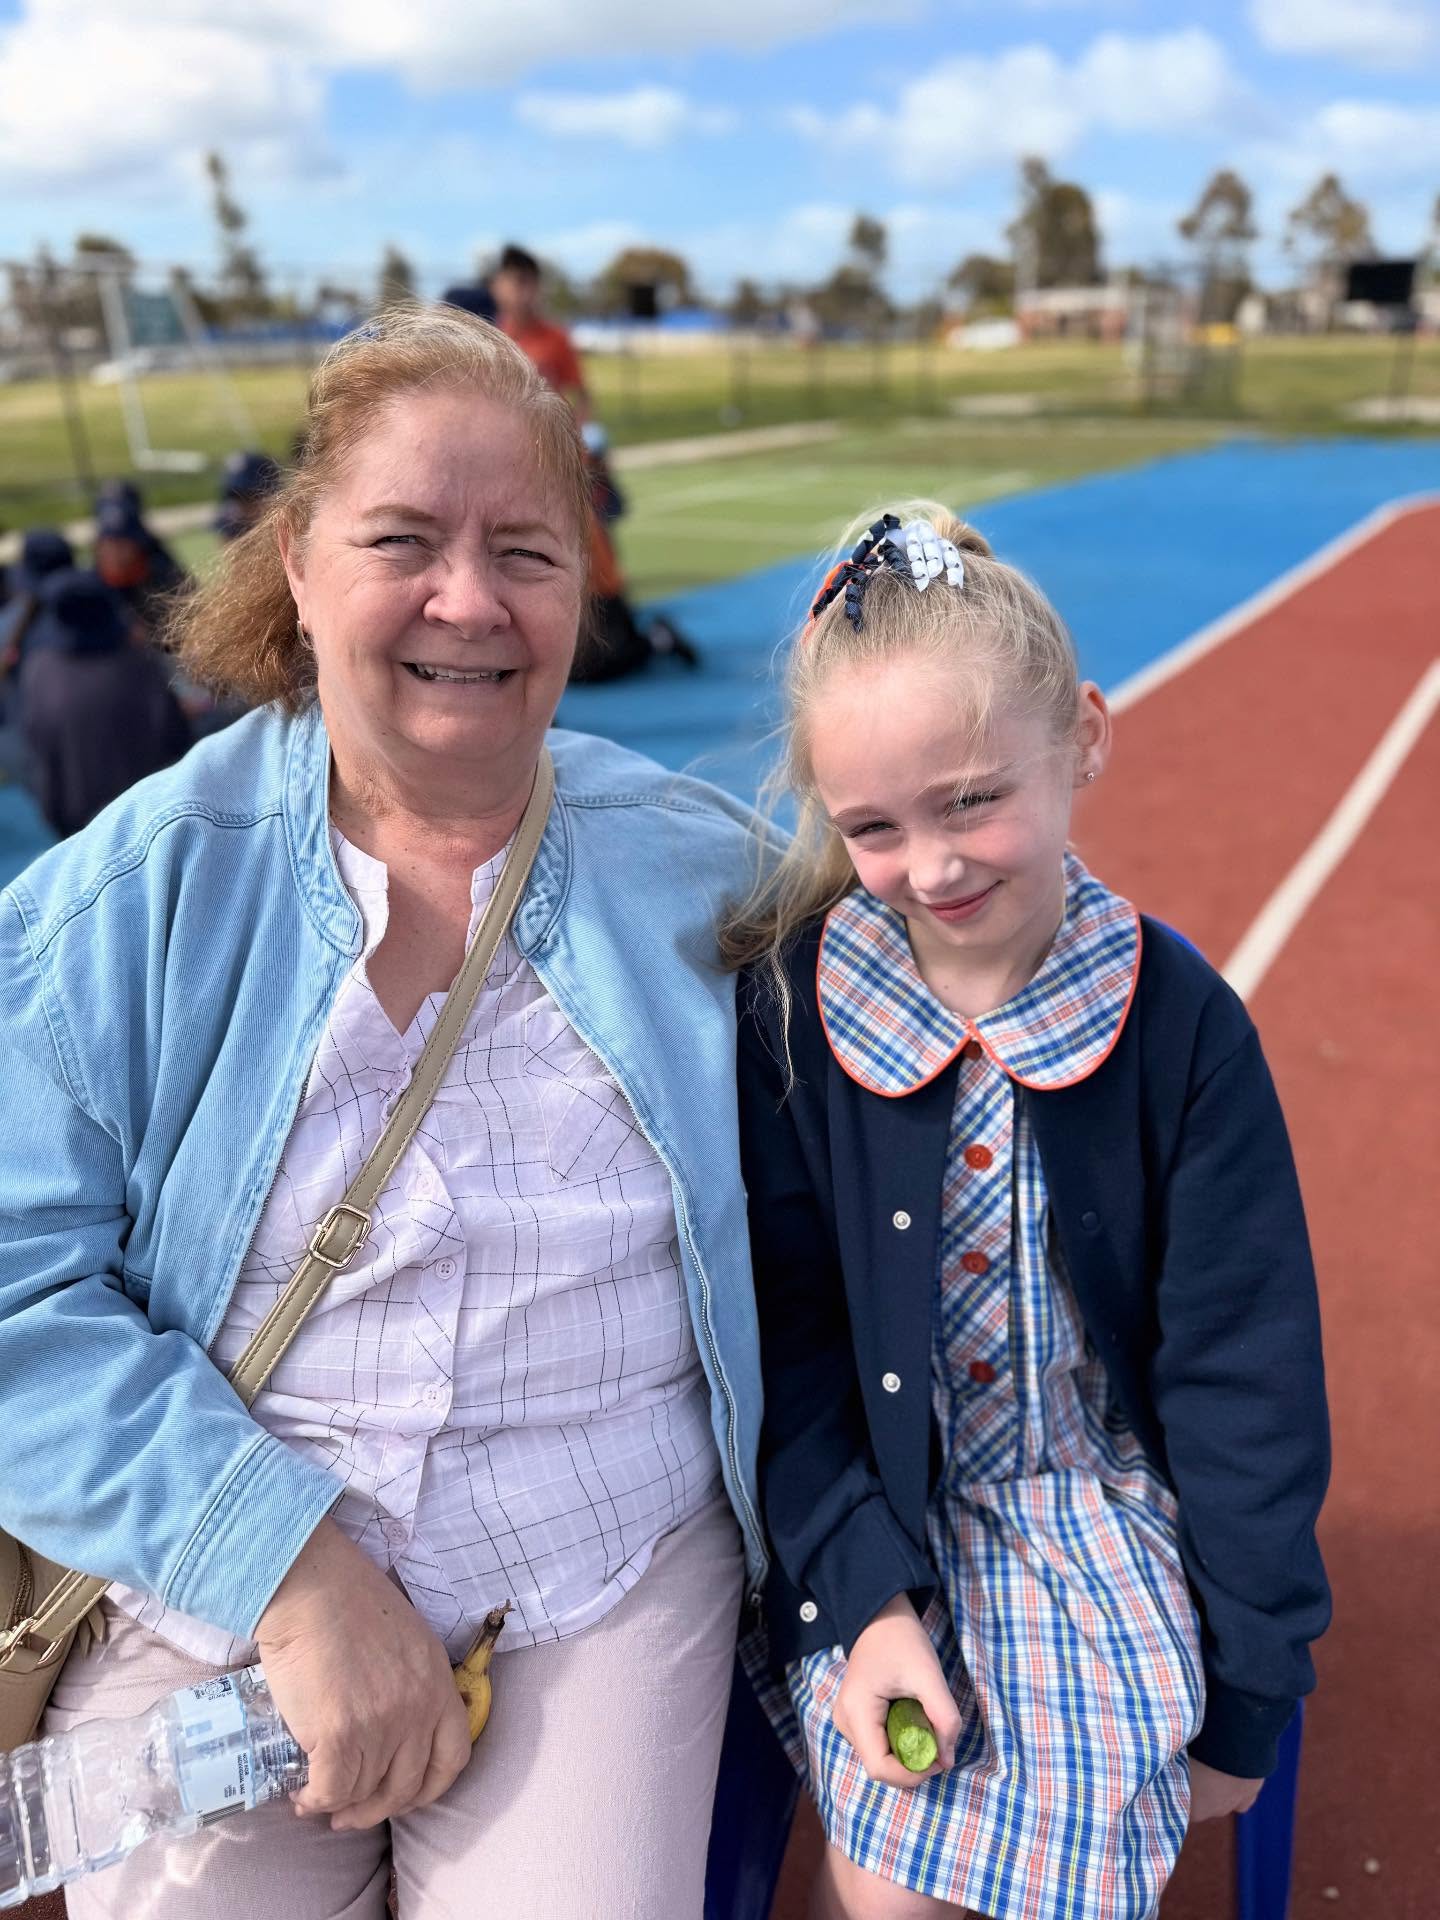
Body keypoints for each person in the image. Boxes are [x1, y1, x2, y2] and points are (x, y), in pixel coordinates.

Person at [0, 307, 767, 1918]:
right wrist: (290, 1567)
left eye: (527, 554)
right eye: (404, 540)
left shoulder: (711, 880)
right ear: (293, 562)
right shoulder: (122, 909)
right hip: (207, 1589)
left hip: (598, 1570)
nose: (469, 602)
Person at [722, 508, 1330, 1919]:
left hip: (1095, 1515)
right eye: (871, 827)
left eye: (972, 802)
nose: (930, 867)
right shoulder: (805, 1017)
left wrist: (1252, 1686)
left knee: (1079, 1861)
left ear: (1087, 739)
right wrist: (865, 1602)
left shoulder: (1180, 1029)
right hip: (873, 1525)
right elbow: (790, 1344)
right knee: (889, 1880)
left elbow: (1243, 1372)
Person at [491, 243, 700, 683]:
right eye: (514, 282)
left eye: (529, 282)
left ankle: (642, 636)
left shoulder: (555, 340)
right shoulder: (494, 342)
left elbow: (581, 396)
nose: (522, 292)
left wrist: (583, 444)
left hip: (559, 469)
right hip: (510, 471)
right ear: (499, 287)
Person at [16, 565, 190, 837]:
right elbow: (178, 738)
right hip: (149, 815)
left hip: (77, 825)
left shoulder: (38, 669)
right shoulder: (140, 665)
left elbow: (36, 749)